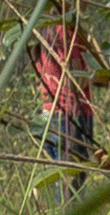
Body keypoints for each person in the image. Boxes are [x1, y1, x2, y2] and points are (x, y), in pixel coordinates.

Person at [32, 22, 98, 173]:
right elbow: (74, 81)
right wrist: (99, 76)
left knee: (62, 178)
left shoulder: (44, 32)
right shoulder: (66, 33)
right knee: (75, 176)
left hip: (48, 114)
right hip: (71, 114)